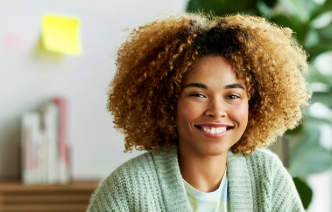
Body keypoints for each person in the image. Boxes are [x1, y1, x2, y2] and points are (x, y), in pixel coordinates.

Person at [87, 13, 310, 211]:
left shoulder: (267, 175)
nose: (216, 111)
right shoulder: (128, 188)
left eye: (232, 96)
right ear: (168, 101)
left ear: (254, 105)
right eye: (198, 95)